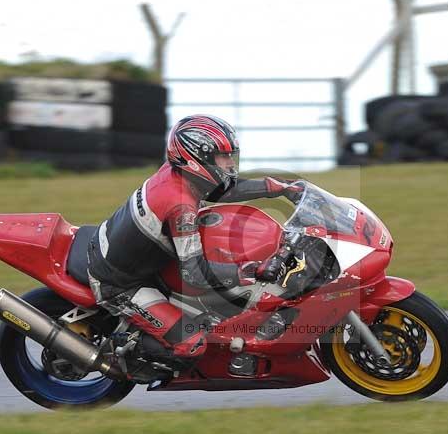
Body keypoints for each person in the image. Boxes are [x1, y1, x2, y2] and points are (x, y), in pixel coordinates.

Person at [86, 114, 303, 370]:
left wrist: (279, 188)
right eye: (223, 156)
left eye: (231, 155)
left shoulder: (179, 172)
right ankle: (120, 352)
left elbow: (224, 190)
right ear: (196, 158)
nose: (230, 163)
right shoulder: (180, 206)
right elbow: (195, 274)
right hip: (120, 284)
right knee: (192, 343)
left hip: (135, 256)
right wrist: (250, 270)